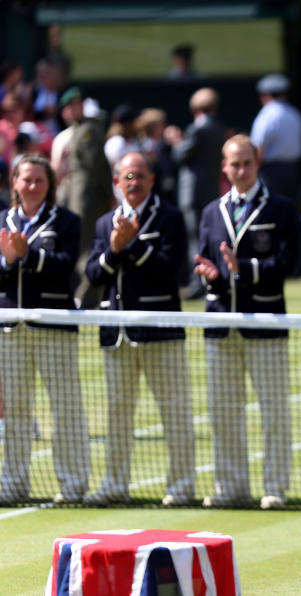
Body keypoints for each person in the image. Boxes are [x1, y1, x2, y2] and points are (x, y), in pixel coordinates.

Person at [83, 152, 195, 507]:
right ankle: (115, 485)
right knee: (118, 414)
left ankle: (181, 486)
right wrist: (116, 249)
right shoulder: (105, 223)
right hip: (117, 335)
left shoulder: (171, 217)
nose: (134, 183)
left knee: (175, 411)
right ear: (117, 181)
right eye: (127, 176)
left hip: (161, 331)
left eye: (140, 176)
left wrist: (132, 245)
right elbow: (93, 275)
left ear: (152, 178)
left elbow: (171, 270)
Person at [194, 135, 298, 510]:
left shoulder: (281, 208)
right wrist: (210, 273)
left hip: (265, 322)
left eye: (246, 163)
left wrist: (245, 270)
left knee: (274, 411)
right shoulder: (211, 211)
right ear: (224, 167)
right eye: (233, 164)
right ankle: (229, 486)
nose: (240, 170)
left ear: (257, 164)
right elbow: (207, 260)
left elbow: (287, 263)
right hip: (221, 324)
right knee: (223, 411)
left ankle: (275, 487)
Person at [0, 154, 90, 505]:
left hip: (55, 325)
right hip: (10, 328)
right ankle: (13, 484)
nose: (33, 186)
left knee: (66, 407)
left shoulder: (67, 221)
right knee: (16, 410)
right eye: (27, 179)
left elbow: (65, 267)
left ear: (50, 185)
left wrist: (27, 255)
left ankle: (73, 485)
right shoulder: (2, 220)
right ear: (15, 183)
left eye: (40, 180)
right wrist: (9, 259)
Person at [49, 87, 112, 308]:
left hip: (83, 196)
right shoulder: (86, 130)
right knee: (88, 248)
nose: (71, 110)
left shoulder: (83, 130)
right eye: (68, 106)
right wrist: (109, 193)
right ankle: (86, 297)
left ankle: (85, 295)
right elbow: (97, 165)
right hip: (88, 197)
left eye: (75, 105)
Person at [167, 87, 226, 295]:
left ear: (195, 109)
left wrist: (175, 142)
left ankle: (197, 283)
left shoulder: (197, 129)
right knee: (206, 237)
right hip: (210, 190)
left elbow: (181, 156)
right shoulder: (219, 129)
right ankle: (205, 278)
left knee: (195, 238)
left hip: (192, 194)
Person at [251, 74, 301, 200]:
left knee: (272, 210)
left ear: (265, 95)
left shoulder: (267, 115)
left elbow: (258, 147)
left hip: (271, 173)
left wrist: (253, 170)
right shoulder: (295, 114)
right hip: (293, 171)